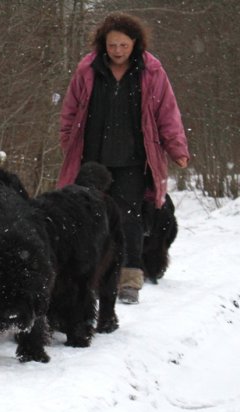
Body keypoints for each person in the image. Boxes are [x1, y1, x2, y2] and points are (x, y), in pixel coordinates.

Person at [57, 12, 189, 304]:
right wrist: (68, 139)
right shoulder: (87, 69)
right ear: (103, 44)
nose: (117, 51)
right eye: (112, 45)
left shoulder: (152, 71)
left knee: (129, 216)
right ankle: (90, 274)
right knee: (88, 215)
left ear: (135, 44)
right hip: (92, 157)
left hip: (132, 158)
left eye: (123, 46)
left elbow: (167, 113)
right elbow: (70, 108)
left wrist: (177, 148)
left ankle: (129, 278)